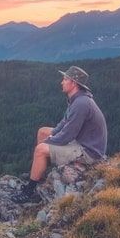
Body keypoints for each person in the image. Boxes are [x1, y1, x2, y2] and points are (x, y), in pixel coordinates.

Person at [11, 66, 107, 203]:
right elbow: (63, 124)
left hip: (89, 152)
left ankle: (29, 191)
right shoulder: (76, 100)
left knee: (40, 150)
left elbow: (68, 135)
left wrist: (50, 141)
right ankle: (40, 172)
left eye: (65, 79)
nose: (61, 82)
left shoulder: (81, 103)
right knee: (43, 131)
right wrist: (51, 135)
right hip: (82, 142)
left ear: (73, 83)